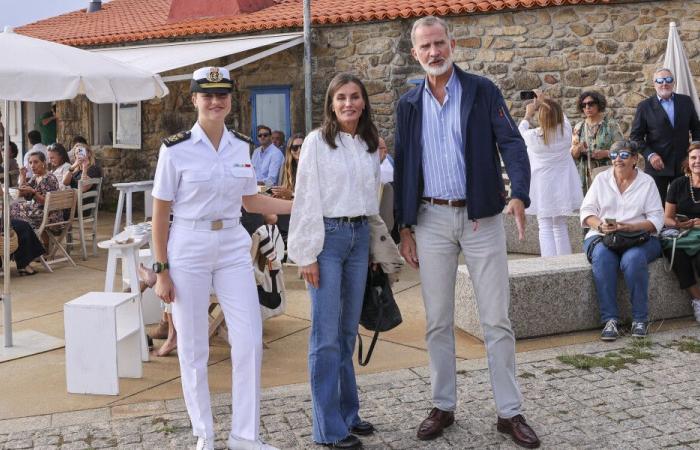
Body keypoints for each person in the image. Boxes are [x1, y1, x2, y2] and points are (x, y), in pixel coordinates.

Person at [393, 16, 540, 448]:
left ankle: (509, 413)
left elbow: (511, 142)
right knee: (438, 321)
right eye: (426, 47)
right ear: (415, 53)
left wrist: (520, 194)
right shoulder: (408, 104)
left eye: (440, 43)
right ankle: (443, 405)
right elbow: (403, 166)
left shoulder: (482, 90)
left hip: (481, 218)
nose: (434, 52)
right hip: (430, 220)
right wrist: (404, 226)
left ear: (451, 44)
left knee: (496, 318)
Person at [151, 66, 290, 450]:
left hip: (230, 241)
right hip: (189, 244)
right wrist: (161, 270)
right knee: (193, 344)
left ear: (230, 101)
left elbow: (251, 201)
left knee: (248, 340)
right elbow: (160, 214)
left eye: (222, 95)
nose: (215, 101)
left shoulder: (240, 145)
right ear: (194, 99)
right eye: (207, 95)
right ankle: (204, 434)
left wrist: (299, 204)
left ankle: (245, 435)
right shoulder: (174, 149)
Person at [288, 73, 380, 450]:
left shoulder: (368, 143)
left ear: (363, 102)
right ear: (330, 103)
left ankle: (348, 413)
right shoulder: (317, 142)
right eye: (341, 97)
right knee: (324, 336)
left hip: (359, 239)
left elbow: (372, 195)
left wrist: (374, 249)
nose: (348, 104)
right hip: (327, 240)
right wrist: (306, 252)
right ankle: (328, 428)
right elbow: (305, 196)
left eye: (355, 97)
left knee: (346, 333)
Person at [581, 140, 664, 341]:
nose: (618, 159)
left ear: (635, 159)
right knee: (602, 257)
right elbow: (586, 213)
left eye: (624, 155)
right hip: (604, 236)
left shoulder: (647, 182)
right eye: (614, 155)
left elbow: (656, 220)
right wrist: (601, 226)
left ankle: (640, 319)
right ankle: (610, 320)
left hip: (640, 237)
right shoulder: (601, 179)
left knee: (632, 259)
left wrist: (629, 227)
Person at [519, 94, 582, 256]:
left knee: (544, 225)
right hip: (561, 184)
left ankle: (549, 263)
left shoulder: (533, 137)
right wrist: (547, 100)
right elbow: (563, 118)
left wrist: (529, 113)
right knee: (560, 224)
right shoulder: (566, 132)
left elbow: (519, 131)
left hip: (542, 185)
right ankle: (564, 262)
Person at [630, 68, 700, 203]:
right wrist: (650, 155)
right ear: (654, 83)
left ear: (673, 82)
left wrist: (695, 151)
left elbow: (697, 129)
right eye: (660, 81)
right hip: (657, 166)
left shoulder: (685, 101)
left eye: (668, 80)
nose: (664, 84)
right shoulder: (645, 106)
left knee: (683, 206)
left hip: (683, 165)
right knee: (656, 206)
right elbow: (635, 138)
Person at [662, 142, 700, 322]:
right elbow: (667, 218)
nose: (697, 161)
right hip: (683, 235)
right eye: (693, 158)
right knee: (676, 255)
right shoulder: (678, 184)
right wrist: (680, 224)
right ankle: (697, 301)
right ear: (688, 161)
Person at [570, 91, 623, 193]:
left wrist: (605, 153)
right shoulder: (579, 127)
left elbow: (622, 149)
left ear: (599, 104)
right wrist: (578, 148)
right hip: (585, 175)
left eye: (591, 104)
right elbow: (574, 155)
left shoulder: (611, 125)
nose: (587, 107)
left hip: (606, 172)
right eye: (584, 105)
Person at [11, 152, 61, 229]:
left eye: (36, 162)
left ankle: (26, 238)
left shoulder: (49, 178)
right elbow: (20, 194)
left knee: (13, 212)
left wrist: (33, 192)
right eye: (30, 163)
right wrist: (22, 177)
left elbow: (48, 202)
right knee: (12, 208)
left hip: (49, 215)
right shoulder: (36, 177)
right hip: (38, 212)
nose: (32, 165)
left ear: (43, 163)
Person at [270, 133, 304, 200]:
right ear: (290, 150)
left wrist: (291, 194)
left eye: (303, 147)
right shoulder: (285, 167)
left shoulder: (312, 167)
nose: (299, 150)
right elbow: (281, 187)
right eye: (295, 148)